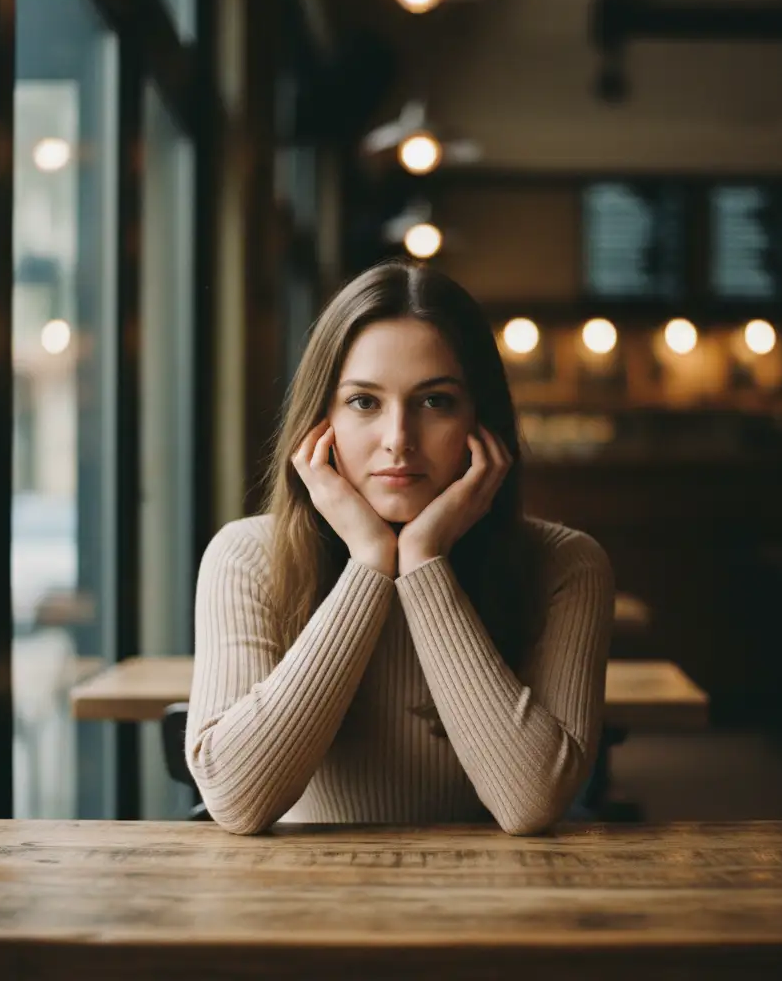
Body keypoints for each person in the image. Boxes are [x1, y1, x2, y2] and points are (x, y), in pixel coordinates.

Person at [186, 259, 616, 835]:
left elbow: (531, 803)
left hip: (501, 910)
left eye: (435, 401)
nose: (398, 441)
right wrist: (368, 562)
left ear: (481, 422)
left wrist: (423, 562)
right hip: (298, 913)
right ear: (321, 421)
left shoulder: (567, 565)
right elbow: (237, 802)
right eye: (364, 402)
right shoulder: (245, 557)